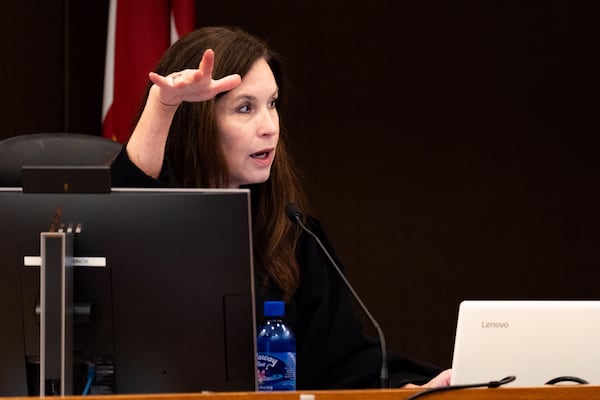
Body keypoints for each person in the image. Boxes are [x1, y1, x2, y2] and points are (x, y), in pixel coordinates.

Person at [111, 26, 451, 390]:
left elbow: (340, 362)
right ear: (196, 121)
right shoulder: (150, 230)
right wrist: (165, 106)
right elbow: (125, 206)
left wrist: (409, 388)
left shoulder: (293, 236)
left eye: (272, 104)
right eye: (245, 108)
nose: (270, 126)